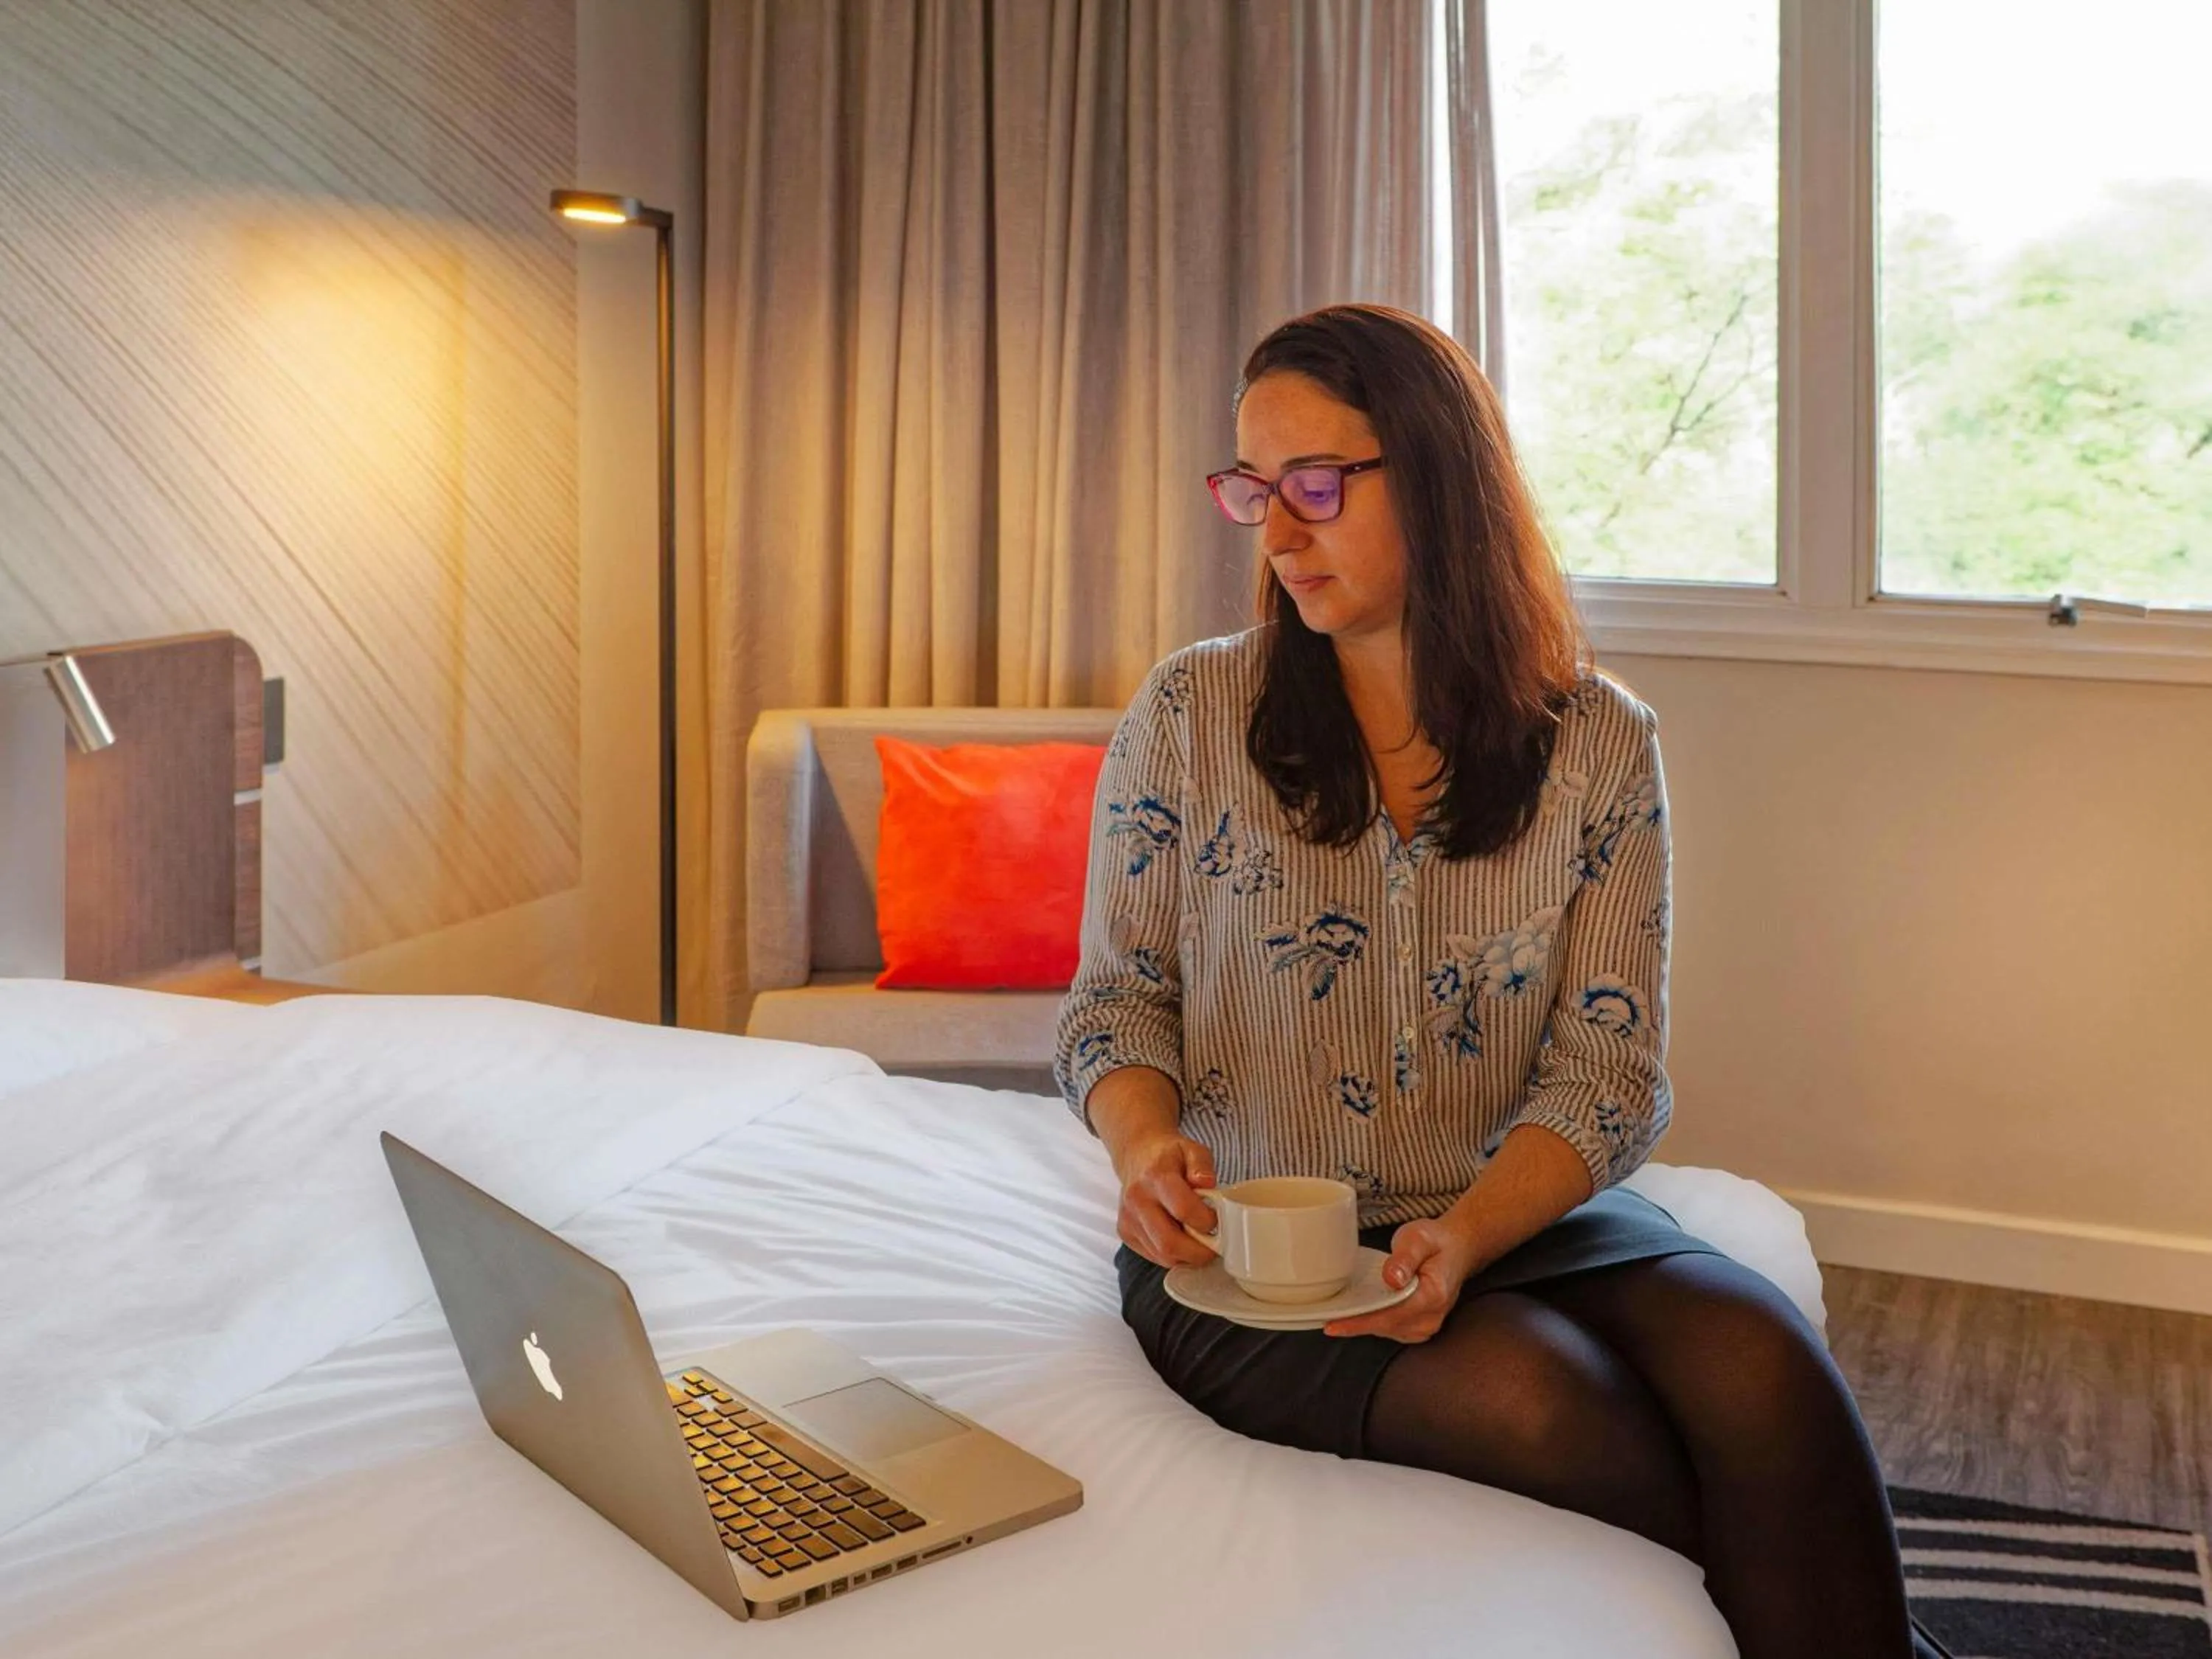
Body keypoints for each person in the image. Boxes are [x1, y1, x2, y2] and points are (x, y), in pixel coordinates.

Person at [1052, 305, 1944, 1659]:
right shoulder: (1191, 716)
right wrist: (1144, 1138)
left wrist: (1469, 1236)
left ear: (1438, 474)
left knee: (1768, 1365)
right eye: (1254, 489)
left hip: (1512, 1218)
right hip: (1262, 1263)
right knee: (1551, 1403)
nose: (1278, 533)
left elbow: (1610, 1073)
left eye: (1317, 486)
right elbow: (1118, 1003)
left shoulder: (1598, 743)